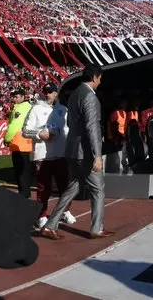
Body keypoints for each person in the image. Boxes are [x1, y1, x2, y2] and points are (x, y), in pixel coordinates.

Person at [40, 64, 114, 240]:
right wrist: (97, 155)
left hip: (72, 149)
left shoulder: (74, 94)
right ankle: (97, 228)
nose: (100, 82)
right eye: (100, 78)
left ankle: (50, 225)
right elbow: (92, 127)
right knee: (98, 189)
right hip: (85, 152)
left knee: (73, 187)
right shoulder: (90, 97)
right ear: (95, 77)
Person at [21, 83, 76, 229]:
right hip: (42, 156)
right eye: (46, 91)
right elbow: (25, 130)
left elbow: (67, 130)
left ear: (56, 93)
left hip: (60, 154)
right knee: (43, 188)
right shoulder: (36, 109)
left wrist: (61, 135)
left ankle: (65, 210)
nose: (48, 94)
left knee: (65, 186)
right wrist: (40, 134)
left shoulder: (63, 110)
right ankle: (42, 215)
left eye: (51, 91)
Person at [5, 90, 33, 199]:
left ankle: (24, 194)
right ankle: (26, 193)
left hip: (19, 144)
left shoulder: (21, 108)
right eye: (14, 97)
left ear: (23, 97)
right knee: (25, 170)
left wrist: (7, 138)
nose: (14, 99)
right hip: (24, 143)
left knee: (20, 171)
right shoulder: (26, 107)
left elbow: (14, 126)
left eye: (16, 97)